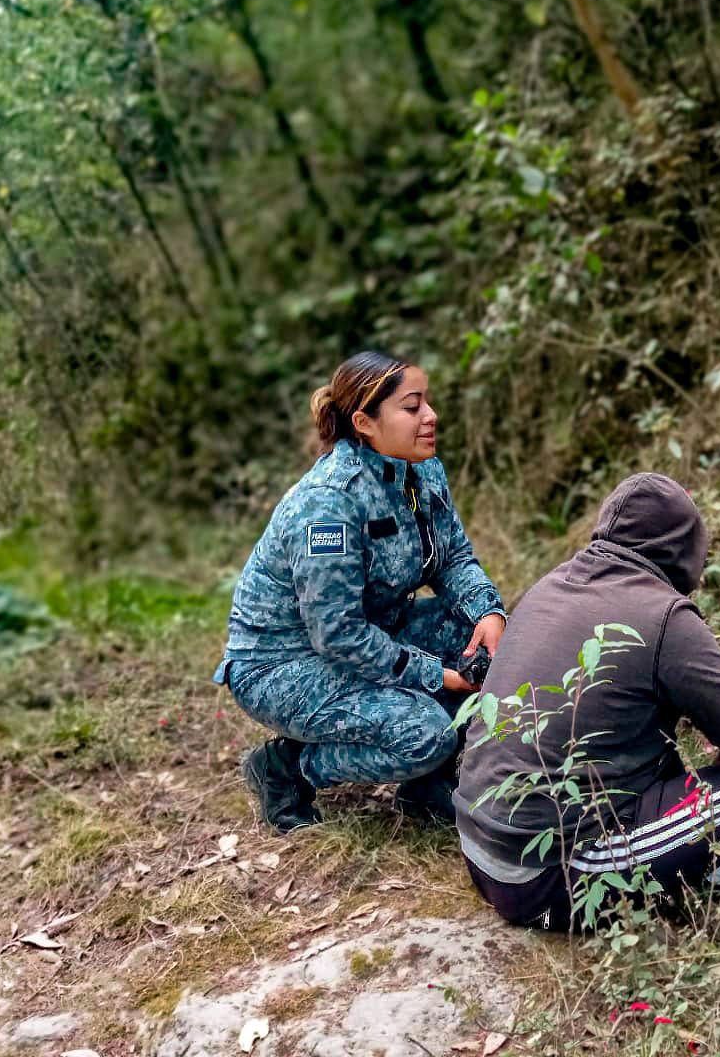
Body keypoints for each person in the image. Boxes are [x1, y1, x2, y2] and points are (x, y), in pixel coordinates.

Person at [455, 472, 720, 940]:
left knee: (653, 748)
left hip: (482, 853)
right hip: (550, 878)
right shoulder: (663, 615)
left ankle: (711, 887)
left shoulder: (551, 586)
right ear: (684, 548)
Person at [216, 351, 506, 833]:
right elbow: (337, 633)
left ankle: (426, 786)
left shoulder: (423, 472)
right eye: (412, 408)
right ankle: (287, 768)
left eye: (427, 402)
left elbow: (453, 559)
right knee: (424, 733)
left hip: (375, 632)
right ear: (364, 423)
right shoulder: (328, 504)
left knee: (491, 645)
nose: (430, 416)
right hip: (284, 663)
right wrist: (434, 674)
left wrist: (488, 613)